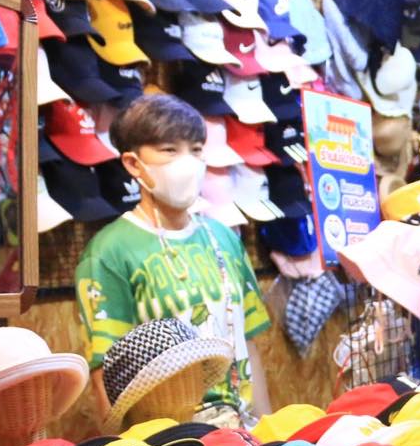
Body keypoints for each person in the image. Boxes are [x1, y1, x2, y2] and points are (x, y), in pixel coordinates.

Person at [74, 95, 272, 428]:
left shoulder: (224, 238)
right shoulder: (109, 252)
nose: (188, 162)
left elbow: (249, 343)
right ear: (134, 164)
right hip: (172, 439)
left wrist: (268, 431)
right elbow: (105, 375)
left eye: (195, 150)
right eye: (169, 150)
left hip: (246, 429)